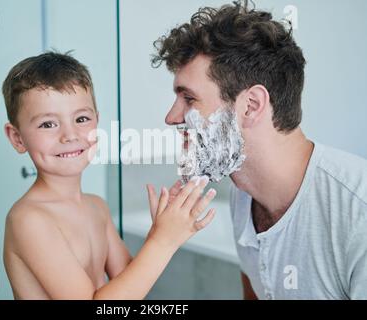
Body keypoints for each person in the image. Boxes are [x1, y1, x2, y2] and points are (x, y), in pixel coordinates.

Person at [152, 1, 367, 299]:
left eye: (189, 98)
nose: (171, 117)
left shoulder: (358, 212)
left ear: (251, 106)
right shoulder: (244, 193)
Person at [1, 51, 216, 299]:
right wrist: (163, 241)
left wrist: (161, 230)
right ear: (17, 138)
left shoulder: (96, 207)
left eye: (81, 119)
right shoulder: (28, 220)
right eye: (48, 124)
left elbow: (129, 288)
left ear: (97, 122)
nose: (70, 135)